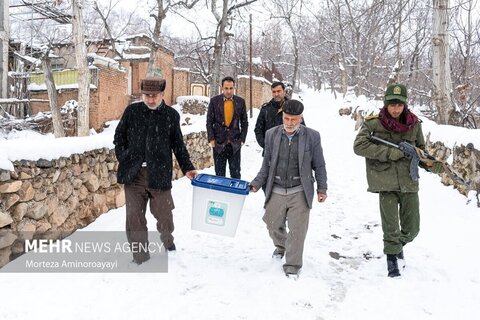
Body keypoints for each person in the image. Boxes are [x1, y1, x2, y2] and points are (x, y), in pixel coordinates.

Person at [353, 83, 443, 277]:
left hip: (409, 181)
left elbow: (420, 151)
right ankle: (392, 258)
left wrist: (429, 163)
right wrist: (389, 153)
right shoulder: (373, 123)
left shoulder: (414, 124)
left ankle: (396, 245)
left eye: (399, 105)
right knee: (391, 225)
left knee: (412, 229)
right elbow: (359, 146)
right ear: (385, 103)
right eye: (392, 104)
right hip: (384, 180)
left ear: (405, 105)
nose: (395, 109)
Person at [114, 76, 197, 265]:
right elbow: (119, 137)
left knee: (164, 215)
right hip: (133, 176)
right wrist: (125, 157)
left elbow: (178, 145)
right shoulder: (132, 112)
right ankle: (140, 257)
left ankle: (168, 240)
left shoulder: (171, 116)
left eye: (155, 96)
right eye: (147, 95)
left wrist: (188, 168)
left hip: (159, 174)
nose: (151, 100)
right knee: (134, 218)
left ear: (162, 94)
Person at [250, 99, 328, 278]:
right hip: (276, 187)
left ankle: (292, 265)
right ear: (282, 117)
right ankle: (282, 245)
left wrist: (322, 188)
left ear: (301, 118)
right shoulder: (271, 135)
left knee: (297, 230)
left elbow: (319, 165)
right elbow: (266, 165)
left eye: (294, 119)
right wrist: (256, 183)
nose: (290, 123)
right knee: (271, 224)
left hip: (299, 189)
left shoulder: (312, 136)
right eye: (286, 119)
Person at [206, 76, 248, 179]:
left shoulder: (240, 102)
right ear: (222, 88)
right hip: (219, 144)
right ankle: (220, 195)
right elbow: (209, 122)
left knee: (236, 175)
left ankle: (235, 195)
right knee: (219, 176)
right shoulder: (214, 101)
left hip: (235, 145)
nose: (229, 91)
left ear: (234, 88)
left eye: (231, 88)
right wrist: (211, 139)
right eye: (226, 88)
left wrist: (242, 139)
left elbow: (244, 122)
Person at [254, 81, 305, 156]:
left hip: (290, 153)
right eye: (274, 92)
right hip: (270, 153)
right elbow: (258, 129)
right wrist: (266, 145)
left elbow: (302, 129)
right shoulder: (265, 109)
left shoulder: (294, 107)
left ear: (284, 92)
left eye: (279, 91)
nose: (276, 94)